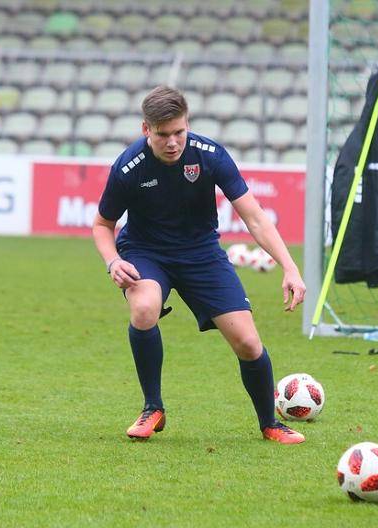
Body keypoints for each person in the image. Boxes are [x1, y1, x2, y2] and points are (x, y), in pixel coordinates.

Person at [92, 86, 308, 444]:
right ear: (146, 129)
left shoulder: (210, 155)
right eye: (163, 134)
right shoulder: (128, 166)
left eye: (179, 132)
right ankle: (152, 408)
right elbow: (102, 225)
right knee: (144, 308)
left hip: (201, 253)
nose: (173, 142)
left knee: (247, 342)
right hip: (145, 252)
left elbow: (254, 217)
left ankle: (270, 424)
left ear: (187, 123)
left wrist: (290, 267)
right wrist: (113, 261)